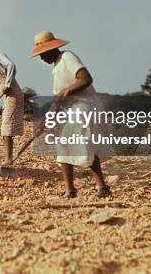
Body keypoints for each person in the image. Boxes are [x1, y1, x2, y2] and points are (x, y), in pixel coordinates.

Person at [30, 31, 111, 198]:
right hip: (76, 109)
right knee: (86, 147)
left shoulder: (67, 57)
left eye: (43, 53)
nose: (41, 58)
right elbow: (58, 101)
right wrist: (46, 121)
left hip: (85, 106)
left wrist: (67, 91)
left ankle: (71, 190)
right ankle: (100, 188)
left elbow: (86, 79)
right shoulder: (56, 67)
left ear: (52, 49)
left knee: (66, 144)